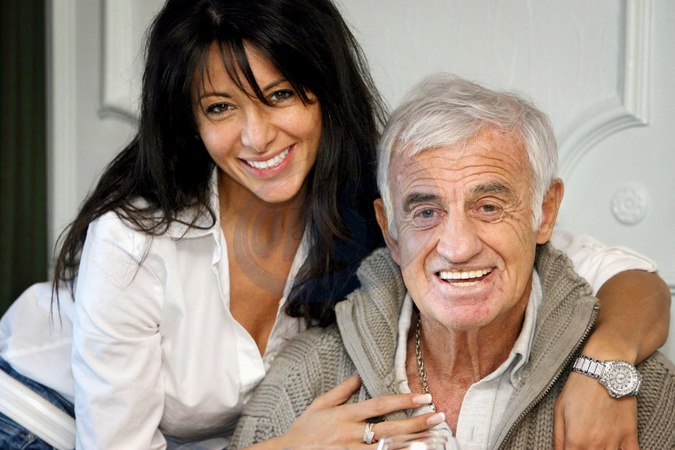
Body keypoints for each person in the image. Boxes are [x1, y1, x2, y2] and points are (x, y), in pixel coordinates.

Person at [0, 0, 669, 447]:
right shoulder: (133, 243)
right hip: (33, 421)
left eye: (279, 95)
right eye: (220, 108)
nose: (256, 137)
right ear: (189, 120)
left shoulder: (389, 200)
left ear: (324, 89)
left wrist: (605, 365)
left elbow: (625, 277)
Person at [230, 73, 675, 450]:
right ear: (390, 230)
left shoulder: (631, 389)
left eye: (489, 207)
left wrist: (606, 367)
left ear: (545, 212)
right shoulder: (303, 380)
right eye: (426, 212)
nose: (458, 247)